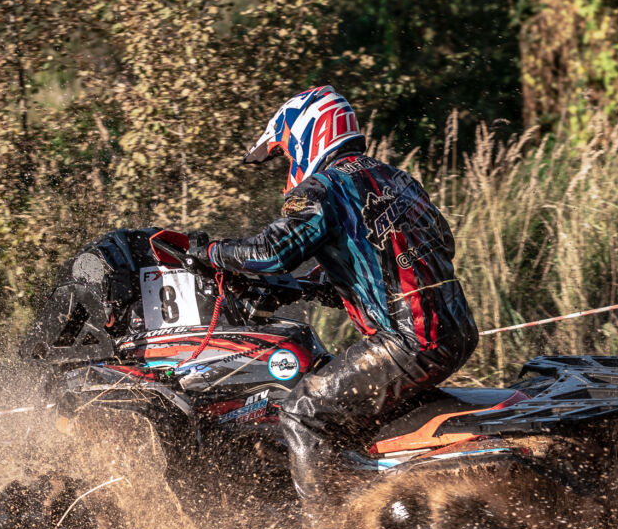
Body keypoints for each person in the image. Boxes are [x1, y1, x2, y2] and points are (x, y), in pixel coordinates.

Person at [189, 85, 479, 505]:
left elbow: (269, 253)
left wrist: (208, 253)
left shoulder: (323, 189)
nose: (289, 165)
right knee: (343, 403)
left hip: (410, 344)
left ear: (306, 136)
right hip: (458, 331)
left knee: (302, 411)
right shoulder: (398, 179)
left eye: (287, 153)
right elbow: (438, 245)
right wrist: (315, 284)